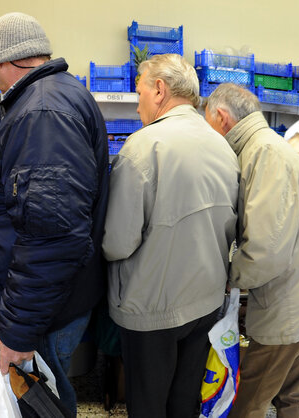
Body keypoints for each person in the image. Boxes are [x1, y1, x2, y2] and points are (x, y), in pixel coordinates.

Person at [0, 12, 109, 415]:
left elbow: (52, 236)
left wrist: (17, 329)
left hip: (43, 309)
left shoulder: (42, 113)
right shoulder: (51, 98)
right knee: (49, 398)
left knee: (41, 405)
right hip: (50, 300)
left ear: (6, 62)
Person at [101, 54, 239, 417]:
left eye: (140, 92)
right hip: (205, 301)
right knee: (184, 401)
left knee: (148, 404)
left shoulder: (143, 147)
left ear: (159, 90)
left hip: (153, 307)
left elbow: (117, 242)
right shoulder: (223, 147)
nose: (138, 105)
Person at [205, 84, 299, 417]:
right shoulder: (264, 147)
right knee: (293, 395)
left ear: (222, 117)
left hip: (292, 311)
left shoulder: (263, 153)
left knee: (250, 403)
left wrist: (228, 277)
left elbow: (265, 250)